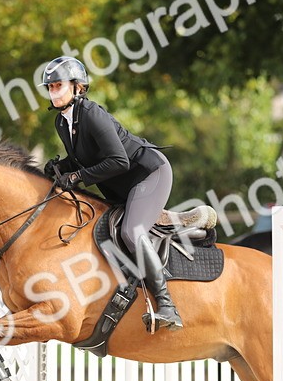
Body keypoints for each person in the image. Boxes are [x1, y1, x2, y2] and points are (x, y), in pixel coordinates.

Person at [40, 55, 182, 331]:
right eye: (50, 87)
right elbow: (86, 158)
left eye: (58, 85)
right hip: (123, 185)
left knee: (131, 231)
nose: (53, 91)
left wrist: (77, 176)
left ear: (77, 86)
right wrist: (61, 167)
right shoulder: (62, 122)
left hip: (148, 173)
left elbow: (119, 161)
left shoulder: (92, 114)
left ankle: (168, 305)